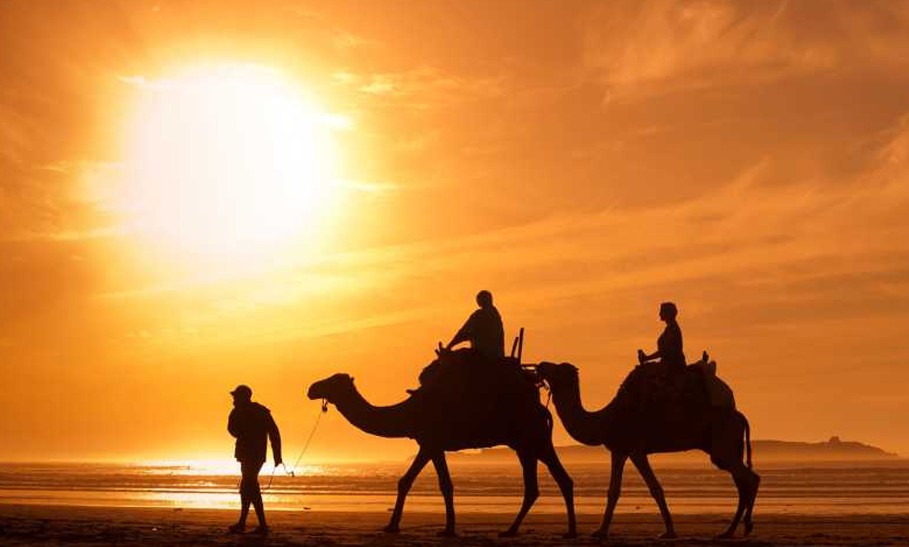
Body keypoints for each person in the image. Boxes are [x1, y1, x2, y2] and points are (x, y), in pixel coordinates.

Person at [227, 385, 282, 535]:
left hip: (253, 455)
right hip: (249, 455)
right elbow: (274, 432)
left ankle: (257, 525)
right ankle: (248, 523)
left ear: (243, 397)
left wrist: (277, 455)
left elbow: (273, 432)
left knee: (248, 485)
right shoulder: (257, 411)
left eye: (236, 397)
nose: (234, 399)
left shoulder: (257, 411)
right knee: (248, 486)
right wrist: (277, 455)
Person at [443, 290, 505, 360]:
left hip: (482, 355)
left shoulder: (480, 315)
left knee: (459, 357)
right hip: (497, 355)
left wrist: (449, 346)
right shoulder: (495, 315)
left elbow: (463, 333)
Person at [637, 302, 687, 374]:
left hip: (673, 366)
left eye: (661, 311)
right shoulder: (670, 328)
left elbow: (664, 352)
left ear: (667, 314)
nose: (659, 314)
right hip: (668, 365)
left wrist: (647, 358)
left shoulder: (672, 329)